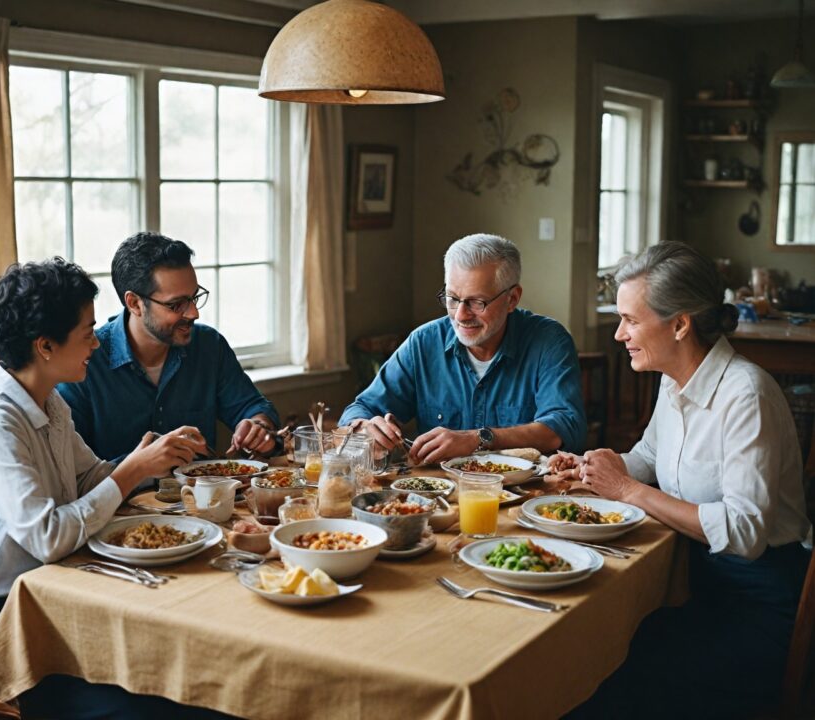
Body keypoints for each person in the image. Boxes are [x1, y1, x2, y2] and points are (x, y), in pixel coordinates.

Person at [0, 258, 229, 718]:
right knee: (153, 704)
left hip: (48, 595)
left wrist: (151, 459)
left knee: (182, 668)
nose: (97, 341)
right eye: (88, 332)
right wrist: (131, 471)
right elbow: (48, 537)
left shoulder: (47, 402)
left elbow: (89, 478)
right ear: (45, 345)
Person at [560, 242, 812, 720]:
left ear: (680, 324)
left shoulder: (745, 395)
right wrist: (597, 470)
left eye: (631, 320)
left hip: (758, 605)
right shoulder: (674, 379)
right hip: (697, 583)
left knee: (612, 681)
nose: (619, 334)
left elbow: (744, 531)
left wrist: (628, 492)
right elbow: (651, 456)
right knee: (590, 654)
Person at [338, 233, 586, 463]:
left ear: (512, 299)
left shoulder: (549, 341)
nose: (460, 315)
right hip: (441, 496)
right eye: (452, 298)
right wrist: (363, 427)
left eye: (477, 302)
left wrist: (477, 439)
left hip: (526, 497)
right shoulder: (424, 343)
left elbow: (562, 426)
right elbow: (360, 409)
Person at [58, 232, 280, 462]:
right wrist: (147, 464)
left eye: (194, 298)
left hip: (205, 498)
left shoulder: (209, 346)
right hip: (120, 499)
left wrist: (258, 426)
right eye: (176, 305)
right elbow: (74, 471)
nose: (194, 313)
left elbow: (251, 406)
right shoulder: (85, 362)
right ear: (135, 303)